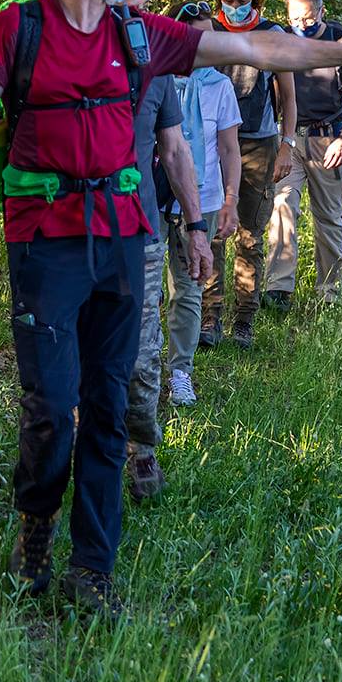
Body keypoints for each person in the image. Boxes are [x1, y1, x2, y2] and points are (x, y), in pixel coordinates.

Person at [0, 0, 342, 614]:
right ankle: (35, 522)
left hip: (124, 236)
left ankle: (93, 568)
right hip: (45, 243)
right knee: (50, 407)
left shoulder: (141, 34)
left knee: (108, 405)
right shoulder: (19, 28)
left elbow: (260, 48)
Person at [203, 0, 296, 350]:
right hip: (214, 142)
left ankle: (245, 318)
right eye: (228, 0)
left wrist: (287, 145)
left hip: (259, 142)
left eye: (242, 0)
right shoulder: (210, 30)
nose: (235, 6)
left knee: (249, 235)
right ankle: (210, 315)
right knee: (211, 234)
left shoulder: (271, 34)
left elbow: (289, 96)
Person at [264, 0, 342, 309]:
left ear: (322, 12)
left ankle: (330, 292)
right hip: (288, 138)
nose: (302, 26)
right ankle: (278, 287)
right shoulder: (281, 40)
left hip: (328, 139)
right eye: (295, 19)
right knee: (282, 207)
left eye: (309, 19)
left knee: (328, 216)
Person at [123, 64, 203, 505]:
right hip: (70, 239)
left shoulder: (154, 72)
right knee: (79, 356)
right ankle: (88, 447)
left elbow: (174, 151)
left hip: (142, 235)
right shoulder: (61, 53)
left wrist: (197, 226)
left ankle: (143, 451)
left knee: (140, 355)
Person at [164, 2, 242, 411]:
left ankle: (181, 371)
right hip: (150, 196)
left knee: (189, 287)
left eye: (209, 36)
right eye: (197, 36)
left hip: (204, 199)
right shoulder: (155, 77)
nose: (204, 45)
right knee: (137, 289)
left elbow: (229, 149)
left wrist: (230, 199)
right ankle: (135, 367)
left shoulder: (220, 86)